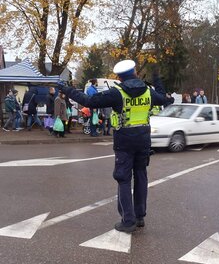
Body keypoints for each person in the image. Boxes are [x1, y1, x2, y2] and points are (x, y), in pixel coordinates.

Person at [57, 59, 167, 233]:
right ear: (135, 72)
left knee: (123, 179)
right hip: (144, 139)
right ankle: (139, 217)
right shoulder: (148, 92)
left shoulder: (117, 93)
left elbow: (89, 101)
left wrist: (66, 89)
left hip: (124, 140)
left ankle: (128, 220)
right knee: (141, 176)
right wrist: (156, 78)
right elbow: (164, 98)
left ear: (119, 77)